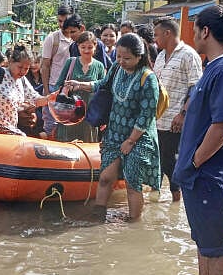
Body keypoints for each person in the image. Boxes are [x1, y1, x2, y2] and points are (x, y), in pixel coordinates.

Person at [173, 5, 223, 275]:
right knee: (204, 241)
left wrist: (194, 163)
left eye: (195, 28)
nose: (192, 33)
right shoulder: (213, 66)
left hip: (209, 175)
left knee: (217, 246)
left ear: (206, 31)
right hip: (199, 174)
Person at [66, 33, 160, 222]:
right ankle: (98, 215)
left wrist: (131, 141)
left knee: (132, 184)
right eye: (118, 56)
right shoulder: (116, 68)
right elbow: (103, 84)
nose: (121, 61)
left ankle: (133, 223)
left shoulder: (148, 79)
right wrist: (81, 85)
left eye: (127, 58)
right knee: (105, 177)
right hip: (114, 133)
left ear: (139, 57)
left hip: (138, 137)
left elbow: (146, 115)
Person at [152, 16, 203, 202]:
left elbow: (196, 88)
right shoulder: (159, 56)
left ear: (168, 33)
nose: (155, 39)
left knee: (169, 160)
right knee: (158, 159)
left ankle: (177, 198)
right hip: (158, 119)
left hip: (176, 121)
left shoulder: (189, 55)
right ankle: (155, 195)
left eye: (157, 35)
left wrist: (183, 114)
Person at [0, 45, 56, 136]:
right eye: (20, 67)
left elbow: (35, 99)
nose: (23, 72)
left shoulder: (22, 80)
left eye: (26, 69)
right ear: (11, 62)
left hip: (9, 126)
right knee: (21, 137)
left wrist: (49, 98)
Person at [54, 31, 105, 142]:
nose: (86, 50)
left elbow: (103, 91)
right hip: (70, 111)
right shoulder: (71, 62)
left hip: (89, 112)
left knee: (87, 143)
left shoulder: (99, 66)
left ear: (95, 47)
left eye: (90, 47)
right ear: (78, 47)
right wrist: (66, 89)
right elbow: (58, 85)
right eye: (83, 47)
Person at [41, 5, 74, 138]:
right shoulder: (52, 38)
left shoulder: (77, 39)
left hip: (71, 88)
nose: (62, 24)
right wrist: (47, 91)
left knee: (68, 124)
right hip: (54, 86)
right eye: (59, 21)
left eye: (64, 21)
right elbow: (45, 66)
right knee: (50, 124)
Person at [19, 51, 45, 137]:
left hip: (41, 106)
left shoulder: (44, 77)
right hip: (29, 108)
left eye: (36, 62)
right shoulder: (24, 77)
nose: (33, 65)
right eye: (32, 63)